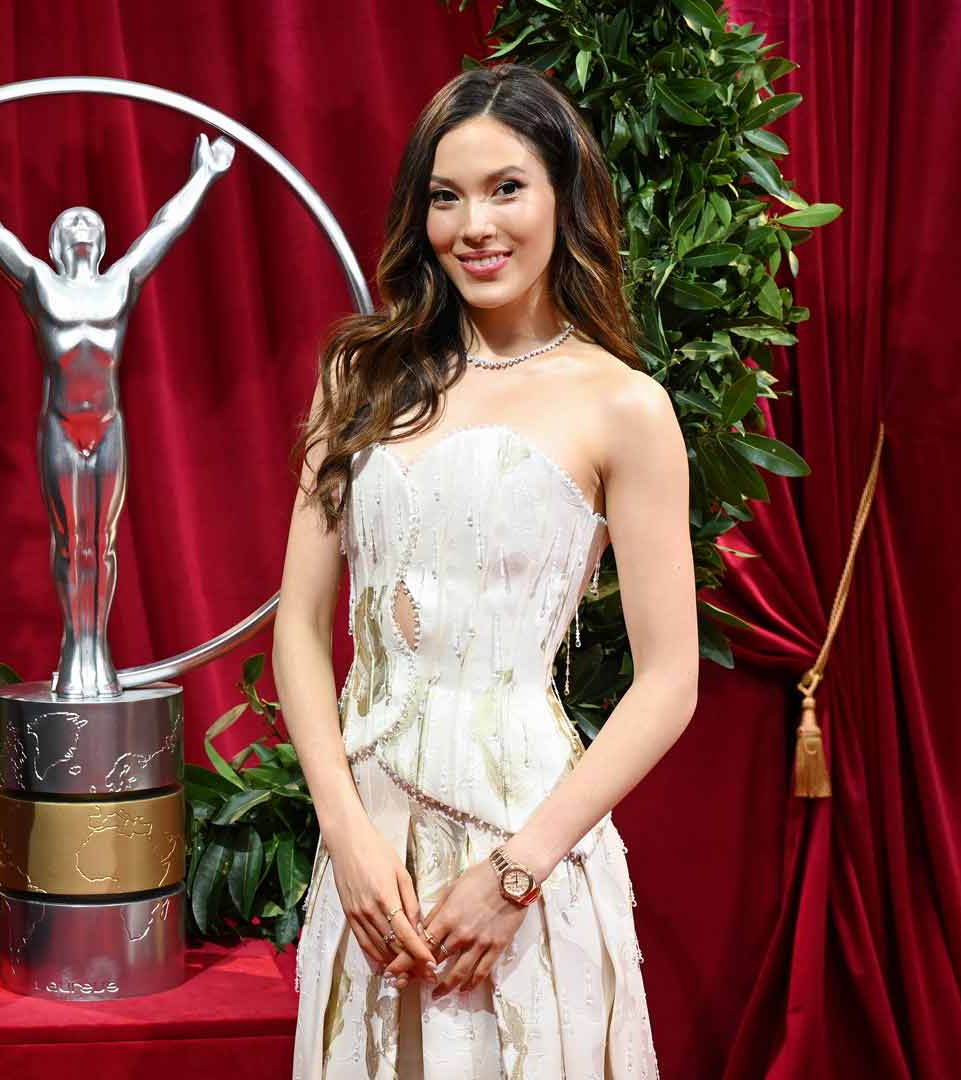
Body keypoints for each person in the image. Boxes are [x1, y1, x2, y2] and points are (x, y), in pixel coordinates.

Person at [278, 63, 696, 1077]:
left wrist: (517, 874)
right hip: (370, 861)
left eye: (508, 188)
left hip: (527, 847)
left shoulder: (624, 405)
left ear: (563, 196)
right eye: (446, 195)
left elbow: (670, 680)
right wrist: (343, 832)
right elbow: (299, 625)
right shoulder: (361, 375)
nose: (476, 225)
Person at [0, 133, 234, 697]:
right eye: (71, 221)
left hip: (107, 429)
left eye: (90, 220)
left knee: (100, 543)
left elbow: (164, 229)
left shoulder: (121, 282)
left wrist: (204, 174)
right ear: (59, 241)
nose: (82, 224)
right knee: (69, 542)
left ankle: (95, 647)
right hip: (61, 427)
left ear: (104, 240)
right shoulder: (40, 284)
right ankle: (74, 643)